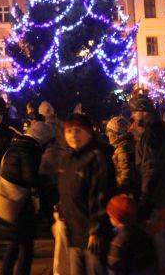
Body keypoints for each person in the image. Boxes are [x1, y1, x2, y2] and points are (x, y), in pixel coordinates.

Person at [129, 94, 165, 274]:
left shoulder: (151, 133)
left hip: (159, 197)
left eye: (134, 112)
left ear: (142, 112)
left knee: (161, 246)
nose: (133, 117)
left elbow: (149, 167)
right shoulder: (163, 128)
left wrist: (144, 198)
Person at [58, 113, 115, 275]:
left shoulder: (97, 159)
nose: (73, 135)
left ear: (89, 133)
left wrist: (95, 230)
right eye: (69, 131)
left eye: (78, 131)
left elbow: (101, 195)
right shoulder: (68, 158)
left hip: (93, 235)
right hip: (74, 232)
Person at [0, 121, 56, 275]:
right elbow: (31, 179)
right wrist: (47, 181)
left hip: (7, 202)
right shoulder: (28, 151)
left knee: (15, 244)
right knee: (26, 248)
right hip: (19, 206)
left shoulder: (14, 146)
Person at [105, 194, 157, 275]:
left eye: (110, 216)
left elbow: (114, 271)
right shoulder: (145, 235)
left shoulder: (118, 243)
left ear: (116, 218)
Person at [105, 116, 136, 195]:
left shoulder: (122, 149)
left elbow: (125, 176)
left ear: (115, 134)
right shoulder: (128, 144)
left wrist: (113, 188)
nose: (108, 136)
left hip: (123, 193)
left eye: (109, 133)